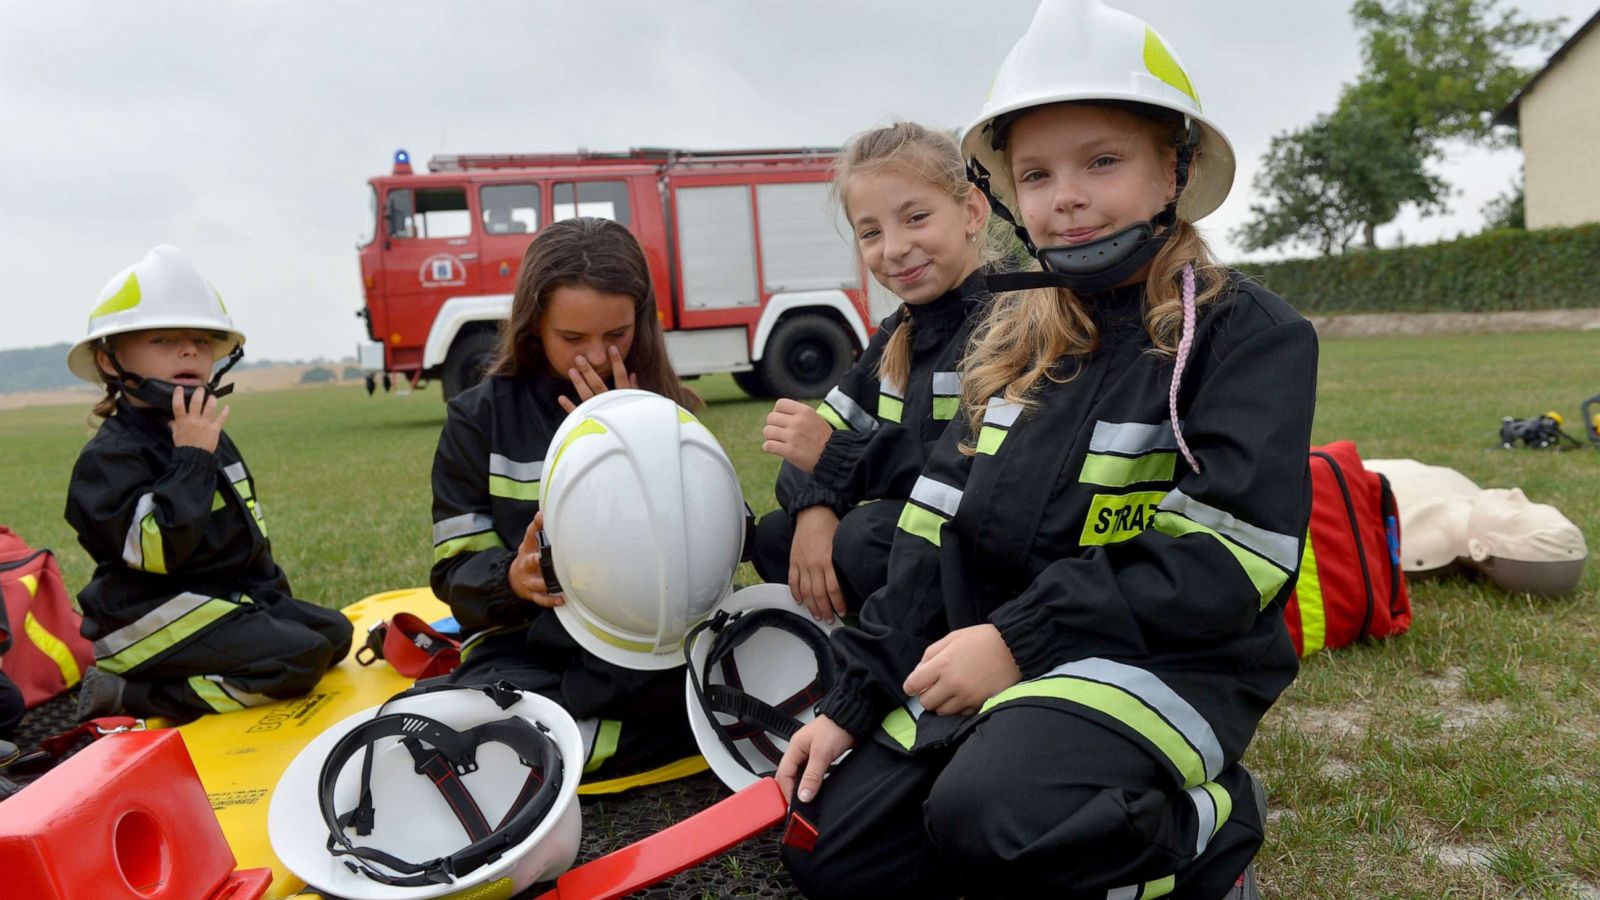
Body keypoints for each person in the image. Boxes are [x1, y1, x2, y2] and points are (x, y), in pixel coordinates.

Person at [775, 2, 1318, 898]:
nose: (1064, 196)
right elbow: (926, 536)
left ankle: (1212, 834)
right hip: (1013, 654)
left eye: (1102, 161)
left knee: (994, 814)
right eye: (1035, 174)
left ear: (1173, 167)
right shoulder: (1013, 339)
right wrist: (855, 697)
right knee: (832, 858)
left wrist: (1021, 639)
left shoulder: (1247, 335)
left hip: (1163, 664)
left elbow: (1233, 562)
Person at [430, 216, 703, 780]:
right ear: (534, 326)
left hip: (649, 646)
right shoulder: (478, 418)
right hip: (530, 643)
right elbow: (453, 573)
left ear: (641, 322)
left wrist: (642, 439)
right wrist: (512, 578)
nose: (598, 357)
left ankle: (549, 748)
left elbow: (719, 544)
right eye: (572, 338)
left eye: (617, 335)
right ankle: (684, 726)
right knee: (485, 694)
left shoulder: (671, 409)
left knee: (727, 659)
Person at [64, 245, 353, 723]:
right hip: (143, 620)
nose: (189, 350)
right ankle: (127, 694)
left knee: (335, 636)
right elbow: (157, 553)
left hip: (214, 601)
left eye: (201, 340)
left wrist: (272, 606)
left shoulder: (204, 432)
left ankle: (236, 650)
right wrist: (192, 457)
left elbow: (249, 537)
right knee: (296, 659)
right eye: (163, 340)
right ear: (110, 361)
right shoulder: (109, 458)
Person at [754, 122, 996, 623]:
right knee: (780, 534)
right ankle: (847, 643)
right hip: (910, 539)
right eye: (871, 232)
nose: (894, 248)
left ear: (972, 211)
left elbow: (973, 477)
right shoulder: (897, 335)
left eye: (916, 218)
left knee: (866, 538)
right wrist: (816, 507)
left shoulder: (1008, 327)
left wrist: (835, 459)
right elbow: (816, 437)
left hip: (987, 554)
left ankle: (920, 661)